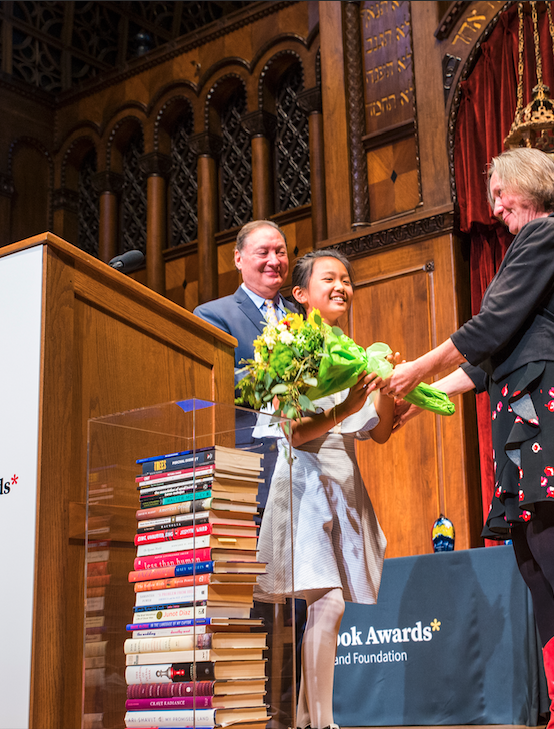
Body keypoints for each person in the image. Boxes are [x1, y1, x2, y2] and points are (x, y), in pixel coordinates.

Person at [386, 147, 554, 729]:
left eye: (501, 192)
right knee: (531, 557)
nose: (495, 207)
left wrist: (415, 370)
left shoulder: (550, 233)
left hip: (546, 399)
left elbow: (488, 326)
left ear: (531, 182)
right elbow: (487, 359)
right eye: (493, 196)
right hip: (522, 404)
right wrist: (419, 404)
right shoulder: (539, 244)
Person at [254, 249, 395, 729]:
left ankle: (306, 721)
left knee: (327, 608)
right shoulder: (288, 343)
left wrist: (390, 391)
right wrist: (347, 405)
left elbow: (377, 432)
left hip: (344, 482)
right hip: (304, 480)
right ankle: (325, 725)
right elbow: (293, 431)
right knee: (328, 604)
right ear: (301, 293)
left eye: (347, 280)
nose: (341, 287)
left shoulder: (354, 353)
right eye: (329, 278)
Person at [193, 219, 301, 727]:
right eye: (263, 252)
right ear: (238, 258)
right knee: (248, 611)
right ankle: (245, 716)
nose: (274, 261)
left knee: (301, 610)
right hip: (248, 482)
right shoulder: (214, 315)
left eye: (280, 251)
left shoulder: (303, 316)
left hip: (302, 479)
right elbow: (216, 384)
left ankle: (294, 713)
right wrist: (275, 361)